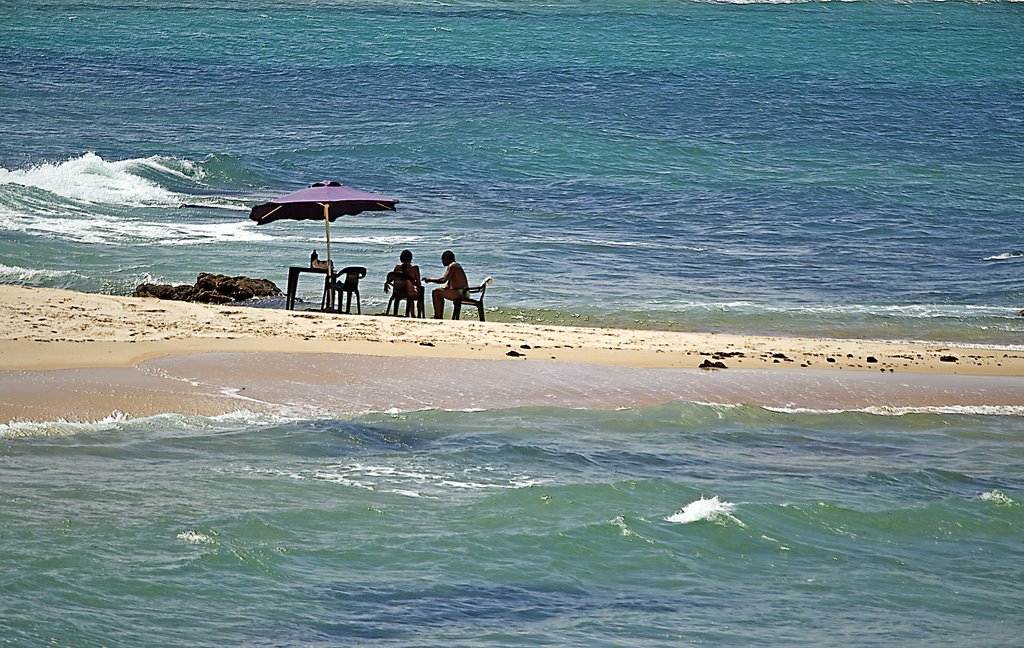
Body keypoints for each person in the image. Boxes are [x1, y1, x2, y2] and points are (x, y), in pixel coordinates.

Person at [423, 250, 469, 319]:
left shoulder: (452, 266)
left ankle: (438, 316)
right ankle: (438, 315)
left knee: (436, 293)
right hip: (464, 292)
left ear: (447, 258)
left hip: (461, 292)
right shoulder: (455, 266)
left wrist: (430, 280)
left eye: (443, 259)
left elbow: (443, 280)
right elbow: (448, 284)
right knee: (438, 291)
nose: (442, 261)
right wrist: (443, 289)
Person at [383, 249, 422, 316]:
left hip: (397, 292)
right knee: (418, 292)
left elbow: (391, 278)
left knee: (409, 291)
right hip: (408, 292)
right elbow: (418, 283)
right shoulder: (415, 268)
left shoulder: (397, 267)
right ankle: (418, 315)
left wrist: (387, 283)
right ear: (411, 258)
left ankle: (411, 313)